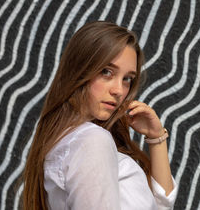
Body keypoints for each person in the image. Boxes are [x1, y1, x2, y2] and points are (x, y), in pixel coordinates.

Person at [22, 21, 177, 210]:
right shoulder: (92, 140)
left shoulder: (71, 140)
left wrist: (156, 137)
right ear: (80, 69)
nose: (119, 90)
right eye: (106, 72)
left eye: (127, 78)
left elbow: (159, 205)